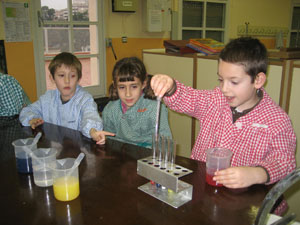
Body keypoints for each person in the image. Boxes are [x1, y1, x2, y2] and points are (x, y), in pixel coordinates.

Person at [150, 37, 296, 190]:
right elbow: (189, 98)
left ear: (258, 80)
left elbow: (285, 161)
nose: (224, 88)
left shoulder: (277, 120)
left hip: (242, 199)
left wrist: (257, 174)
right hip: (203, 188)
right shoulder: (216, 100)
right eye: (221, 79)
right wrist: (171, 87)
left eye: (234, 82)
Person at [19, 52, 114, 145]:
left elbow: (90, 116)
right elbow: (27, 110)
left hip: (78, 150)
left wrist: (93, 131)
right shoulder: (47, 99)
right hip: (55, 150)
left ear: (79, 78)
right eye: (61, 75)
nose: (67, 81)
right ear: (52, 78)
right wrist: (32, 119)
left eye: (72, 76)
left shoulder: (85, 99)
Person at [102, 57, 172, 148]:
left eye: (134, 86)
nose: (128, 94)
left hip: (147, 157)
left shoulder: (156, 110)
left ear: (143, 84)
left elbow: (165, 145)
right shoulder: (110, 109)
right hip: (120, 157)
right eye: (122, 87)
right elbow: (109, 140)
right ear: (115, 85)